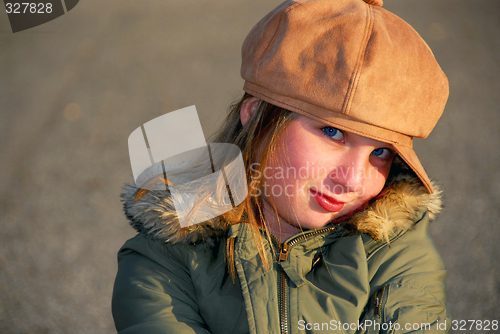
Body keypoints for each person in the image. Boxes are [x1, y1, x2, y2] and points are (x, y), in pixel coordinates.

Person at [112, 0, 451, 333]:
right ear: (255, 113)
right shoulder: (165, 254)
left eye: (380, 152)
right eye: (332, 133)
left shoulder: (394, 250)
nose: (352, 180)